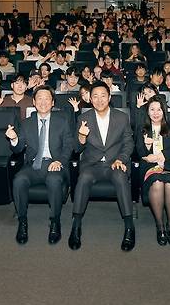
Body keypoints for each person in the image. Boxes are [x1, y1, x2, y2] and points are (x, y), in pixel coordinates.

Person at [70, 82, 135, 251]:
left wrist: (121, 158)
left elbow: (129, 143)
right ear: (90, 99)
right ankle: (76, 225)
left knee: (121, 178)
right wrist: (82, 137)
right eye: (95, 96)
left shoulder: (121, 117)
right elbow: (77, 148)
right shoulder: (84, 118)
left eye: (103, 96)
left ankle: (129, 226)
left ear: (110, 97)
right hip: (92, 165)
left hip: (115, 163)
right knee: (83, 178)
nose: (99, 100)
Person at [5, 85, 73, 245]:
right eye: (39, 99)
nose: (43, 102)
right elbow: (18, 148)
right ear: (34, 102)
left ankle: (55, 221)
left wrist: (60, 161)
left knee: (54, 180)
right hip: (34, 165)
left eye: (47, 98)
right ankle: (22, 221)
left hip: (55, 163)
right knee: (19, 180)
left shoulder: (62, 121)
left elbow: (69, 145)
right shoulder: (26, 123)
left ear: (52, 102)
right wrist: (14, 139)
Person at [136, 97, 170, 245]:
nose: (155, 113)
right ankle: (160, 226)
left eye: (159, 109)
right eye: (152, 109)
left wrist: (159, 155)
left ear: (164, 111)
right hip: (150, 167)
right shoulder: (142, 128)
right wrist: (147, 148)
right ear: (147, 112)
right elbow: (139, 152)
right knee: (158, 183)